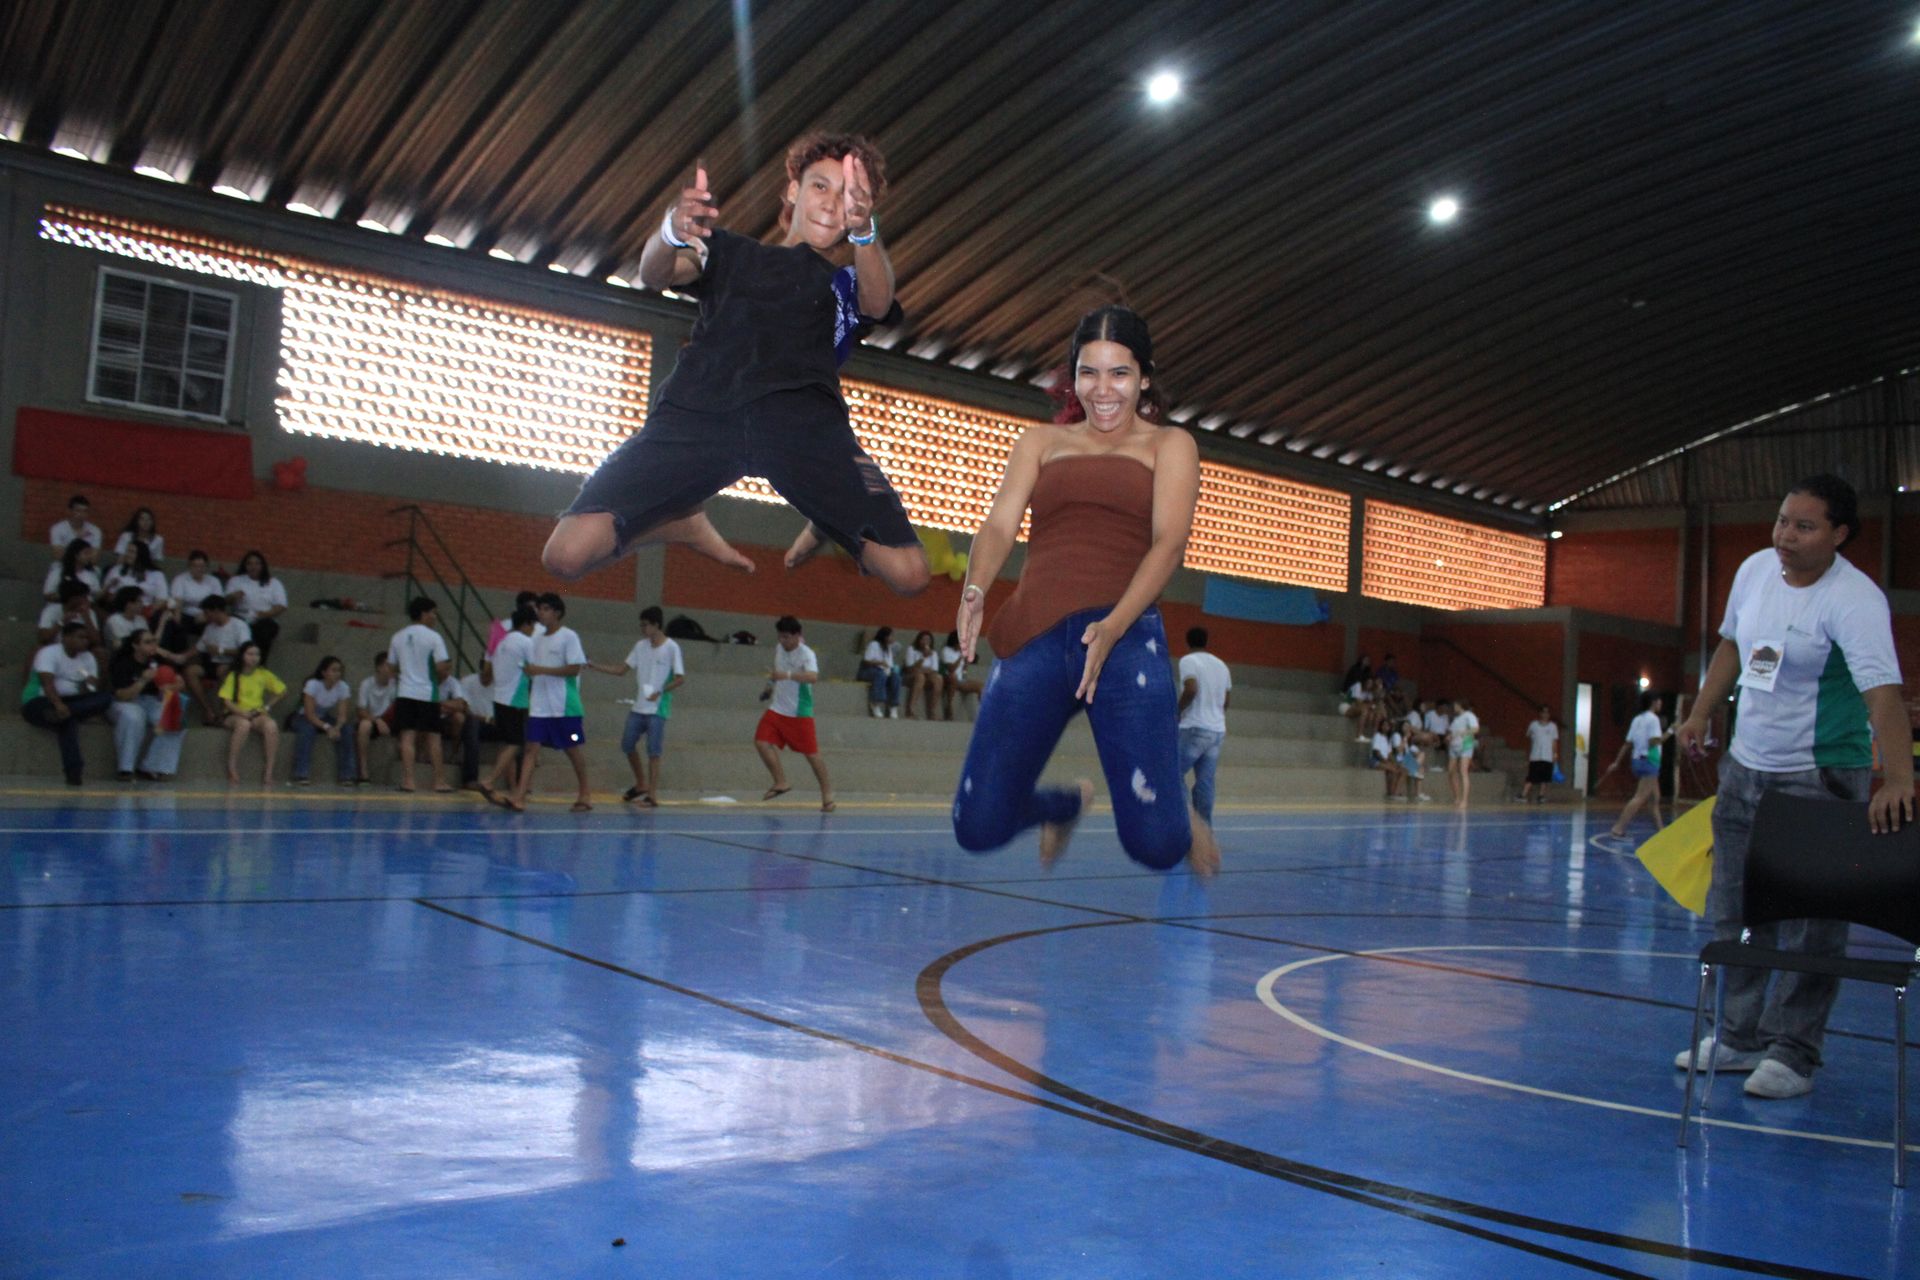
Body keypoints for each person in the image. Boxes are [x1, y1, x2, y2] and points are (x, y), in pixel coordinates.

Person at [539, 134, 929, 599]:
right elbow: (657, 272)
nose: (832, 202)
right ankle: (679, 525)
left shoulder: (845, 281)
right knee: (563, 555)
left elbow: (878, 299)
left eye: (848, 194)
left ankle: (819, 520)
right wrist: (669, 232)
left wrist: (866, 233)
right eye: (820, 186)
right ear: (792, 192)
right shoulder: (732, 253)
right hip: (701, 411)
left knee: (910, 573)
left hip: (802, 427)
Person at [950, 306, 1218, 874]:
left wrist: (1115, 626)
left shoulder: (1170, 445)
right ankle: (1065, 804)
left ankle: (1173, 813)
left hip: (1124, 640)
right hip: (1036, 635)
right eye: (1088, 372)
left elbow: (1168, 544)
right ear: (1072, 377)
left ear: (1144, 377)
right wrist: (976, 588)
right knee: (976, 827)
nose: (1103, 390)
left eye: (1119, 373)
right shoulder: (1041, 442)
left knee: (1156, 846)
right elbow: (1000, 525)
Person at [1671, 474, 1912, 1100]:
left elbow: (1883, 695)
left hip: (1821, 777)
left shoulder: (1854, 600)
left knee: (1812, 923)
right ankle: (1738, 1034)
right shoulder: (1754, 570)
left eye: (1804, 527)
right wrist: (1701, 711)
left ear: (1839, 534)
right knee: (1738, 912)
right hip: (1745, 772)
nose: (1785, 536)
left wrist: (1899, 777)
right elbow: (1730, 645)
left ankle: (1795, 1051)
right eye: (1782, 521)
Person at [589, 605, 685, 807]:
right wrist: (595, 666)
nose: (642, 629)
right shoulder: (640, 646)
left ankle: (652, 794)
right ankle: (641, 783)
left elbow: (680, 678)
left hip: (657, 708)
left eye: (645, 625)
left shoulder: (671, 647)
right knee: (627, 744)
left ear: (656, 625)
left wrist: (661, 690)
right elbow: (621, 670)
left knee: (654, 751)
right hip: (639, 706)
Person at [510, 593, 592, 813]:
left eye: (545, 609)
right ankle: (519, 796)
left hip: (565, 707)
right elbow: (532, 668)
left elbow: (575, 668)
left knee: (572, 748)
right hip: (539, 706)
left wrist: (542, 671)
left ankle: (585, 793)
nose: (541, 613)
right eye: (539, 609)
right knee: (531, 749)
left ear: (557, 612)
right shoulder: (535, 640)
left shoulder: (569, 637)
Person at [754, 615, 834, 812]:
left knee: (812, 755)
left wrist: (788, 675)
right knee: (761, 742)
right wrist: (769, 686)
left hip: (799, 712)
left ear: (798, 636)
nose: (783, 641)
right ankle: (781, 782)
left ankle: (827, 793)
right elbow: (776, 671)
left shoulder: (806, 654)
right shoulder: (779, 649)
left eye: (787, 637)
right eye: (781, 637)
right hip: (777, 708)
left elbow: (813, 677)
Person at [21, 622, 113, 785]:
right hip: (41, 700)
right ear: (66, 638)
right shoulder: (49, 653)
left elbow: (90, 691)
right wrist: (57, 705)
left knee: (105, 697)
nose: (85, 641)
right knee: (68, 722)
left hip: (71, 701)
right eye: (80, 637)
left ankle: (65, 713)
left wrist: (90, 684)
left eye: (86, 638)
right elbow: (47, 684)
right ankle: (74, 772)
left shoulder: (88, 657)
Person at [389, 596, 453, 794]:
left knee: (407, 736)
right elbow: (442, 665)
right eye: (433, 613)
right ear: (424, 613)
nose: (435, 617)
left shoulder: (397, 637)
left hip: (405, 693)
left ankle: (408, 781)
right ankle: (439, 781)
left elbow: (391, 666)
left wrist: (406, 673)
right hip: (427, 693)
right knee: (433, 738)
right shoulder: (433, 637)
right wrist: (439, 674)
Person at [107, 629, 186, 783]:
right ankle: (125, 769)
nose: (153, 645)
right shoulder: (123, 663)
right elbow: (122, 695)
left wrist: (171, 687)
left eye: (154, 641)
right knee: (134, 717)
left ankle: (152, 766)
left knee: (174, 720)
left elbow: (179, 682)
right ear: (136, 646)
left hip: (152, 700)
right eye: (147, 642)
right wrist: (143, 680)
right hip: (126, 702)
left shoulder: (159, 661)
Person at [478, 607, 537, 807]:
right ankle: (490, 780)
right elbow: (533, 669)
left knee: (509, 744)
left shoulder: (501, 642)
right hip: (515, 700)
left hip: (499, 699)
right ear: (527, 624)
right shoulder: (526, 642)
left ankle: (509, 787)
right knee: (515, 743)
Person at [1176, 626, 1232, 824]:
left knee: (1172, 775)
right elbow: (1226, 700)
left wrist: (1177, 710)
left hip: (1194, 727)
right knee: (1205, 782)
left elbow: (1191, 689)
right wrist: (1216, 717)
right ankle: (1204, 829)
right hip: (1216, 730)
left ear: (1188, 642)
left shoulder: (1188, 661)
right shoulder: (1221, 665)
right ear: (1206, 642)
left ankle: (1186, 823)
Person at [217, 640, 286, 785]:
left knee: (271, 726)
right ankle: (232, 766)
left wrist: (267, 707)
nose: (254, 657)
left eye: (257, 654)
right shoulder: (234, 675)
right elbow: (226, 701)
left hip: (256, 714)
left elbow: (282, 691)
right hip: (234, 714)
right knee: (243, 725)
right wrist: (242, 713)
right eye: (250, 654)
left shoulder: (263, 674)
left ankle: (269, 771)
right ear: (242, 655)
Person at [1603, 693, 1667, 834]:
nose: (1660, 703)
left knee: (1654, 798)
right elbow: (1654, 742)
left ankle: (1661, 831)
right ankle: (1618, 828)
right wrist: (1671, 732)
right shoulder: (1653, 719)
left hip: (1637, 760)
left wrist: (1616, 762)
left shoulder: (1637, 719)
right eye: (1659, 700)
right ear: (1654, 702)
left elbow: (1627, 744)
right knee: (1640, 797)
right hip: (1649, 761)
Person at [291, 656, 357, 787]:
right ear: (324, 672)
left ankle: (346, 775)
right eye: (333, 670)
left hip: (324, 717)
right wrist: (327, 727)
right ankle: (301, 773)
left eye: (339, 670)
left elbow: (342, 715)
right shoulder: (313, 685)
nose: (337, 674)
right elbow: (310, 714)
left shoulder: (343, 687)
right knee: (307, 730)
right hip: (304, 717)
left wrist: (337, 728)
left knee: (347, 730)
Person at [186, 595, 249, 724]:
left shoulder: (239, 625)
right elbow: (198, 648)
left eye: (207, 613)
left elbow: (246, 650)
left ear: (216, 610)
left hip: (233, 662)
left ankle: (223, 713)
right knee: (190, 671)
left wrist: (221, 650)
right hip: (213, 663)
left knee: (222, 670)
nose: (205, 616)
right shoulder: (210, 628)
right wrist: (176, 656)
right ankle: (208, 709)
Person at [225, 550, 288, 662]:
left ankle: (259, 664)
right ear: (245, 565)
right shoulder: (236, 580)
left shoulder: (274, 583)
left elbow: (281, 605)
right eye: (250, 563)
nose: (253, 567)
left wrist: (264, 614)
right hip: (240, 617)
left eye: (257, 563)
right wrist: (234, 597)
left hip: (264, 619)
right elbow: (226, 600)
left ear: (262, 565)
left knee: (264, 632)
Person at [354, 652, 398, 785]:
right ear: (379, 667)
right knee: (364, 725)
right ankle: (363, 771)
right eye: (387, 665)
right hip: (373, 720)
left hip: (390, 720)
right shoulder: (366, 684)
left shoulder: (396, 684)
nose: (391, 669)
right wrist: (377, 720)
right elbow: (361, 710)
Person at [101, 540, 168, 611]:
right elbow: (109, 596)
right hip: (120, 611)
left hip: (146, 611)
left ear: (141, 555)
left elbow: (162, 599)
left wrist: (148, 613)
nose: (128, 554)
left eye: (132, 552)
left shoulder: (156, 574)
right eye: (127, 551)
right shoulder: (116, 570)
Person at [169, 550, 225, 632]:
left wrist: (206, 616)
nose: (199, 569)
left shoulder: (214, 581)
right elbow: (177, 601)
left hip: (207, 615)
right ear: (189, 566)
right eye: (195, 566)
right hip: (186, 614)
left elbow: (218, 602)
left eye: (202, 566)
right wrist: (177, 618)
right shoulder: (180, 579)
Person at [38, 579, 100, 650]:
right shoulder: (51, 610)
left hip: (81, 649)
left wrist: (86, 617)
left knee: (99, 651)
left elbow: (96, 641)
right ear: (73, 598)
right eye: (84, 597)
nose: (87, 600)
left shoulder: (89, 612)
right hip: (55, 647)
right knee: (37, 649)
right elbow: (43, 638)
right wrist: (61, 622)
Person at [940, 630, 983, 721]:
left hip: (960, 680)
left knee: (981, 686)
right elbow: (951, 669)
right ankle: (949, 706)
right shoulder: (946, 651)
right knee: (953, 676)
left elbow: (964, 672)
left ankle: (982, 712)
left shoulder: (961, 652)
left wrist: (966, 665)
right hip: (948, 678)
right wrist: (961, 657)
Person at [860, 625, 902, 718]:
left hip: (883, 671)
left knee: (896, 677)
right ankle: (875, 702)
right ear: (885, 637)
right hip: (868, 671)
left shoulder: (888, 648)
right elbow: (867, 661)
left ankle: (893, 706)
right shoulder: (874, 644)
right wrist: (880, 663)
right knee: (880, 674)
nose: (893, 638)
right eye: (891, 636)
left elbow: (889, 664)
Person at [1521, 705, 1559, 804]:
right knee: (1531, 776)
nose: (1545, 714)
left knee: (1545, 777)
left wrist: (1554, 754)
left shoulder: (1553, 727)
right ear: (1540, 713)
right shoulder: (1533, 725)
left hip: (1547, 756)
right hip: (1535, 755)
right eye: (1543, 712)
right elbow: (1528, 736)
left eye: (1547, 712)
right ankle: (1523, 795)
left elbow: (1554, 741)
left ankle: (1541, 796)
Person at [1446, 698, 1480, 808]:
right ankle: (1457, 797)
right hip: (1454, 746)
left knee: (1463, 771)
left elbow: (1475, 729)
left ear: (1461, 705)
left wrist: (1464, 732)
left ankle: (1464, 801)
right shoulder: (1456, 719)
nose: (1454, 707)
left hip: (1466, 745)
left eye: (1456, 705)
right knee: (1451, 772)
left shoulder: (1469, 715)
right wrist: (1449, 737)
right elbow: (1453, 732)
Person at [42, 537, 99, 603]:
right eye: (86, 553)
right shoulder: (58, 572)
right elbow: (47, 594)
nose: (89, 557)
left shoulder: (92, 575)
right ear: (76, 555)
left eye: (90, 554)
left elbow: (95, 595)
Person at [901, 630, 940, 720]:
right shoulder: (911, 649)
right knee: (920, 677)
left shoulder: (933, 653)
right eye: (924, 639)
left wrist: (921, 670)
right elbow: (910, 669)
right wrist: (923, 657)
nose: (926, 642)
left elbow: (934, 670)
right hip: (910, 677)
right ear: (919, 640)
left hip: (926, 677)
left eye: (928, 640)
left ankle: (932, 711)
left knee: (939, 679)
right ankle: (910, 709)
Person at [102, 586, 147, 651]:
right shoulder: (114, 621)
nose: (142, 604)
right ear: (128, 604)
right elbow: (123, 645)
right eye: (139, 601)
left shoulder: (141, 619)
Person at [1370, 725, 1408, 799]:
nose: (1387, 727)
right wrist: (1387, 762)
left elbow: (1389, 754)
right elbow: (1376, 752)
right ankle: (1392, 793)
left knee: (1403, 770)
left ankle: (1395, 792)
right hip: (1375, 760)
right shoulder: (1378, 736)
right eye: (1385, 725)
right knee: (1393, 769)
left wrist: (1394, 762)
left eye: (1388, 726)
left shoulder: (1387, 738)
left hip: (1386, 761)